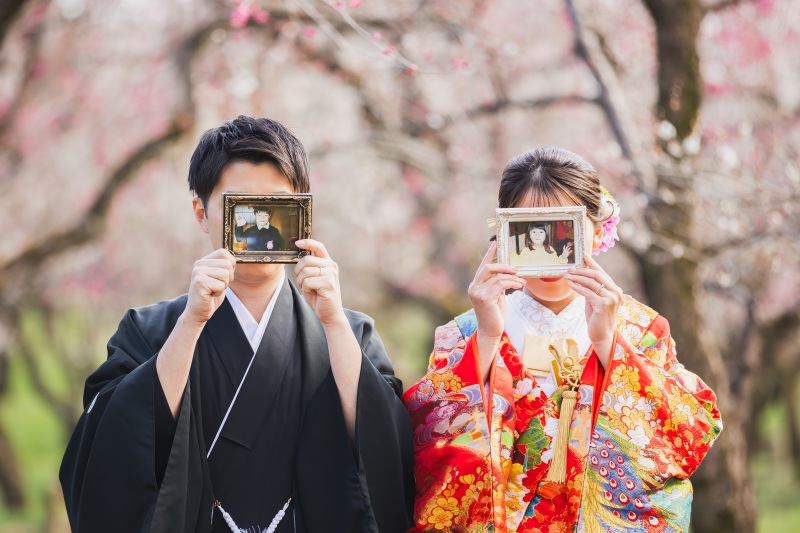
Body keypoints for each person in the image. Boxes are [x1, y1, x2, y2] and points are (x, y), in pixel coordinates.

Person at [60, 116, 415, 533]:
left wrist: (333, 324)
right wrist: (190, 325)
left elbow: (386, 458)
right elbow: (110, 454)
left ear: (302, 212)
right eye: (242, 207)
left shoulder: (351, 335)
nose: (260, 221)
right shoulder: (148, 331)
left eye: (277, 205)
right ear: (202, 212)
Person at [403, 147, 722, 532]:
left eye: (564, 226)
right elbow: (428, 439)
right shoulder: (465, 332)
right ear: (505, 233)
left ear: (597, 228)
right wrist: (487, 339)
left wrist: (608, 344)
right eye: (531, 228)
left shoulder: (640, 328)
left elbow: (684, 431)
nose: (548, 244)